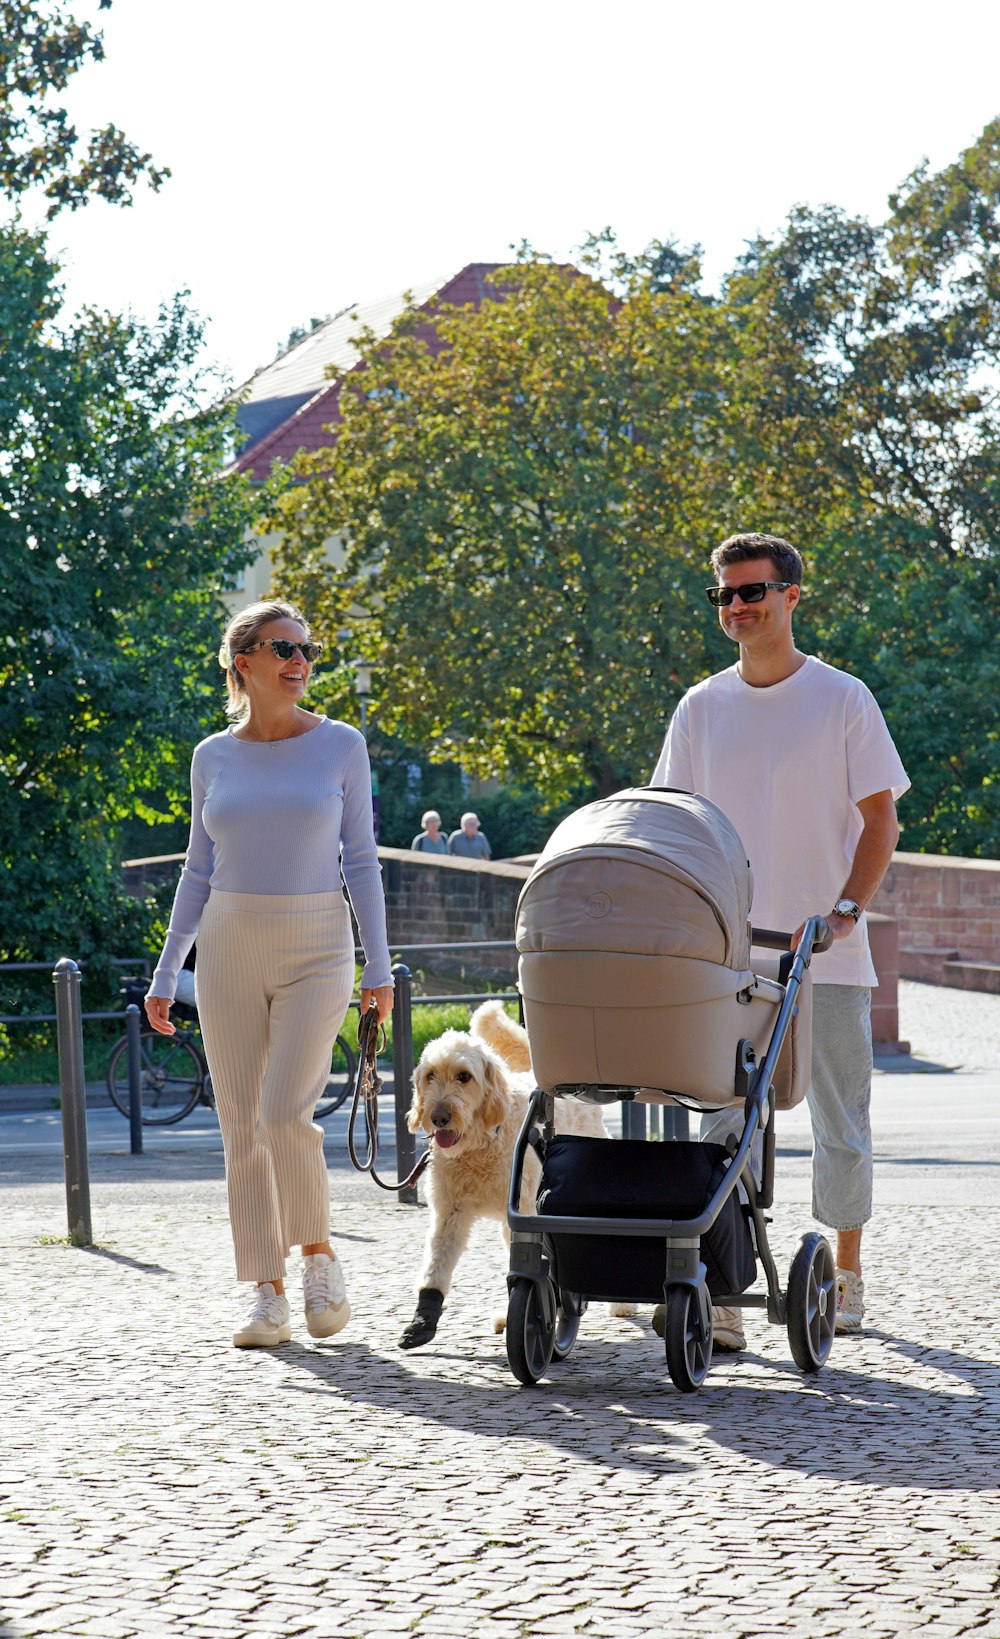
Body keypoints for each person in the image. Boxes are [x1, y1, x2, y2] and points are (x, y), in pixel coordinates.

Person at [652, 532, 908, 1346]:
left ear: (793, 595)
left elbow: (881, 820)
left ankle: (847, 1272)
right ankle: (719, 1287)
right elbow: (671, 823)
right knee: (723, 1121)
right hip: (729, 957)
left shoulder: (842, 699)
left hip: (825, 951)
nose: (735, 607)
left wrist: (845, 911)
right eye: (722, 595)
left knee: (840, 1120)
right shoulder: (700, 707)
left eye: (751, 592)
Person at [145, 598, 394, 1349]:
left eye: (306, 650)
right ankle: (266, 1287)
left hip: (319, 941)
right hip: (227, 940)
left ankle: (318, 1256)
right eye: (282, 647)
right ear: (242, 660)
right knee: (239, 1124)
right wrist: (166, 973)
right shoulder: (210, 757)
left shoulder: (341, 744)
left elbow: (361, 859)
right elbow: (196, 869)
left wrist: (378, 965)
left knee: (285, 1113)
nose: (300, 661)